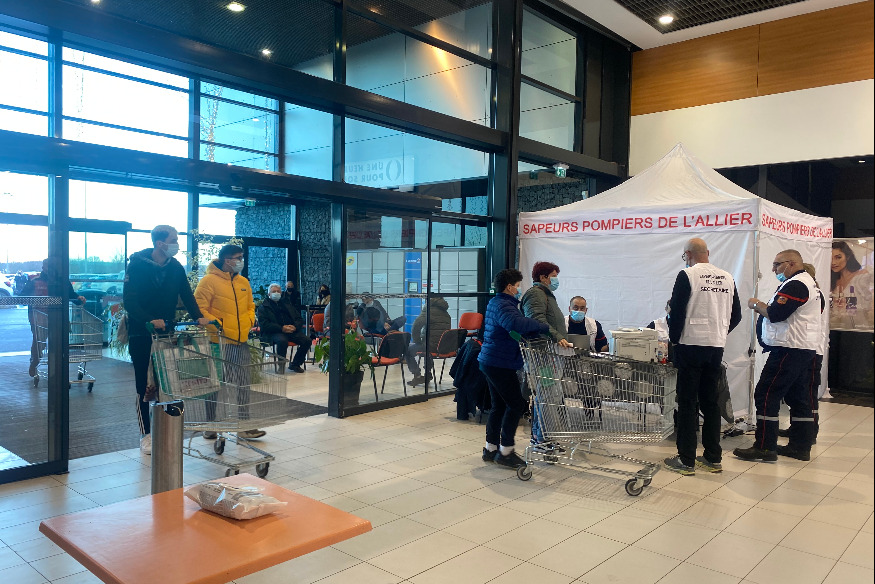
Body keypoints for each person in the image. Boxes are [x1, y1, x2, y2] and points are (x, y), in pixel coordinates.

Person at [123, 226, 208, 455]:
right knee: (143, 385)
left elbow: (186, 294)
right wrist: (149, 319)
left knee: (168, 384)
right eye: (173, 240)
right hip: (141, 333)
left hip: (167, 333)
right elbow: (129, 301)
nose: (176, 244)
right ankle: (146, 434)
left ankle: (166, 429)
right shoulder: (137, 265)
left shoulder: (175, 267)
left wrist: (199, 316)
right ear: (160, 243)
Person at [734, 249, 823, 462]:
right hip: (801, 348)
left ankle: (765, 447)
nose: (774, 270)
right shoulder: (808, 283)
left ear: (791, 263)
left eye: (777, 264)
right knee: (798, 397)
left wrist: (756, 304)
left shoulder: (797, 284)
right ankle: (800, 446)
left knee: (766, 394)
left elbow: (775, 314)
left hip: (789, 349)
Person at [663, 238, 741, 475]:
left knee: (687, 402)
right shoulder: (727, 277)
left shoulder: (687, 275)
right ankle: (712, 457)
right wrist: (719, 332)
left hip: (689, 345)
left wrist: (674, 340)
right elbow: (736, 315)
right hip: (715, 347)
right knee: (710, 402)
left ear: (688, 254)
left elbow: (677, 312)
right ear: (708, 252)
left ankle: (686, 459)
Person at [479, 268, 549, 469]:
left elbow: (508, 328)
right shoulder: (504, 304)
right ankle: (506, 452)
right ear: (509, 287)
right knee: (516, 404)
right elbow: (515, 323)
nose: (519, 290)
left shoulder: (497, 302)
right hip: (499, 363)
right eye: (517, 286)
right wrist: (541, 326)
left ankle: (491, 448)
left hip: (492, 360)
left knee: (499, 406)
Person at [194, 244, 266, 440]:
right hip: (217, 341)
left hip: (240, 341)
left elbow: (250, 306)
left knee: (243, 383)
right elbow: (200, 309)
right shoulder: (208, 281)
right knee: (215, 385)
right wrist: (218, 325)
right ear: (227, 260)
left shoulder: (243, 282)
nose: (241, 261)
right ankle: (210, 424)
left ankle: (244, 424)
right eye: (238, 258)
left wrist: (249, 320)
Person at [520, 261, 571, 452]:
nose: (556, 280)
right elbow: (537, 320)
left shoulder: (546, 295)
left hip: (550, 354)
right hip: (543, 355)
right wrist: (557, 337)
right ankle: (543, 439)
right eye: (554, 276)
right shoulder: (536, 294)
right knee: (548, 397)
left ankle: (542, 437)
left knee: (550, 396)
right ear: (543, 277)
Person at [776, 262, 825, 450]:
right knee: (799, 394)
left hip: (811, 350)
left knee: (807, 396)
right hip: (807, 348)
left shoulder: (812, 294)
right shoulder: (813, 293)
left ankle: (809, 432)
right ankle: (799, 429)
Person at [22, 258, 87, 378]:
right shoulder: (35, 281)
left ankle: (56, 367)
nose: (51, 269)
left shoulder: (62, 281)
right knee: (39, 342)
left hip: (58, 316)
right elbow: (23, 297)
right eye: (48, 266)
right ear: (43, 267)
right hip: (39, 317)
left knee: (58, 343)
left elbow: (70, 295)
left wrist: (79, 298)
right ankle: (34, 362)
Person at [258, 282, 310, 374]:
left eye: (278, 291)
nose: (276, 293)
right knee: (282, 341)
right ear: (269, 294)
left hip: (291, 330)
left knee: (307, 340)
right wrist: (281, 328)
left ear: (281, 293)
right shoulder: (263, 307)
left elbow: (299, 318)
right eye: (274, 291)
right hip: (274, 332)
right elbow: (265, 324)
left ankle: (295, 364)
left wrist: (295, 327)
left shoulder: (287, 304)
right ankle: (281, 366)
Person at [406, 296, 451, 386]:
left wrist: (417, 341)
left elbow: (416, 326)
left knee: (408, 351)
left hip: (431, 346)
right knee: (427, 346)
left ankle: (417, 376)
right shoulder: (446, 312)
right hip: (443, 346)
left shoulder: (428, 310)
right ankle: (428, 373)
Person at [829, 241, 873, 328]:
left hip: (860, 327)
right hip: (836, 328)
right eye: (830, 258)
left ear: (848, 257)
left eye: (838, 257)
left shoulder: (861, 276)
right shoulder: (831, 281)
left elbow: (868, 303)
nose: (833, 262)